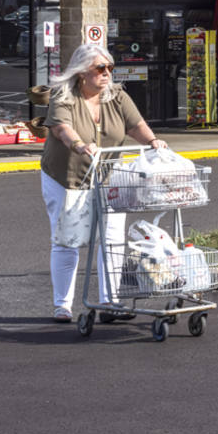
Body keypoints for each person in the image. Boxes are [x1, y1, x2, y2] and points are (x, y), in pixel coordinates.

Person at [40, 42, 167, 323]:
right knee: (68, 239)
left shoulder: (116, 96)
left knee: (110, 239)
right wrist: (79, 145)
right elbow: (61, 127)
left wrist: (154, 141)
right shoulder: (65, 95)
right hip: (67, 176)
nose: (107, 73)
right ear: (82, 72)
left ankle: (110, 301)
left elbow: (135, 125)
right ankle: (62, 306)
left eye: (110, 67)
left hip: (107, 175)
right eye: (100, 68)